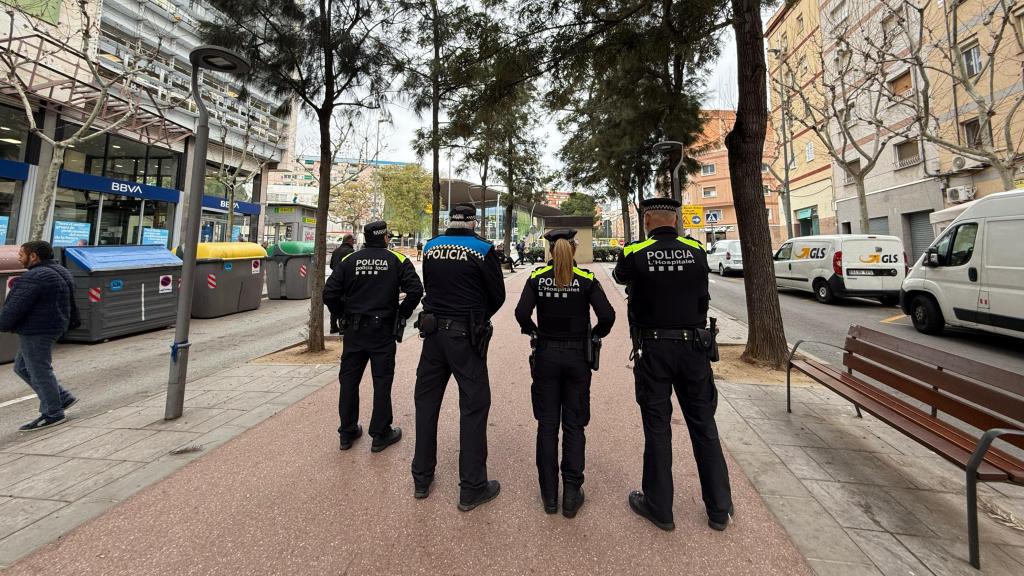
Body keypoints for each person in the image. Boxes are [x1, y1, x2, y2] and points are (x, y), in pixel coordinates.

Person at [613, 197, 733, 532]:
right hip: (694, 347)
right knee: (704, 425)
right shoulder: (695, 249)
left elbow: (621, 277)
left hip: (654, 349)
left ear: (648, 220)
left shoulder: (635, 252)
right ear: (676, 219)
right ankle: (719, 508)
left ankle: (660, 506)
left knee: (657, 424)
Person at [514, 229, 615, 517]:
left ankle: (548, 496)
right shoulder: (585, 280)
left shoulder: (536, 278)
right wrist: (594, 336)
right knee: (574, 425)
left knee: (546, 425)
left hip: (546, 355)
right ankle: (571, 494)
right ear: (572, 249)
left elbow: (521, 313)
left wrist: (535, 332)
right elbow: (607, 316)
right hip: (576, 358)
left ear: (549, 250)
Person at [411, 203, 505, 511]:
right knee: (474, 406)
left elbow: (431, 285)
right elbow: (498, 295)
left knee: (426, 404)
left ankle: (422, 479)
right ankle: (472, 487)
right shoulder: (483, 249)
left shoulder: (431, 246)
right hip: (465, 337)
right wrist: (476, 318)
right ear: (474, 221)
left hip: (433, 334)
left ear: (450, 220)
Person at [323, 221, 423, 452]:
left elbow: (329, 293)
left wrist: (341, 315)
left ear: (366, 238)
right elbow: (416, 289)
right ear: (386, 237)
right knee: (381, 381)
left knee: (349, 381)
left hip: (354, 331)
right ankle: (380, 434)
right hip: (382, 331)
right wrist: (402, 314)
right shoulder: (396, 260)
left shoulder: (350, 260)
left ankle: (347, 433)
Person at [0, 241, 79, 432]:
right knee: (22, 367)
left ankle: (53, 412)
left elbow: (15, 306)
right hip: (53, 326)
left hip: (37, 330)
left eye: (21, 254)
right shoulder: (60, 270)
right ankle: (61, 397)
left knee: (39, 370)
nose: (19, 257)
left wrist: (4, 324)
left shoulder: (35, 276)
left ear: (33, 256)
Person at [329, 234, 357, 334]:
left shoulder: (336, 251)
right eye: (353, 240)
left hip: (335, 280)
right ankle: (342, 327)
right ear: (349, 240)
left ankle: (333, 326)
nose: (354, 242)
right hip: (345, 281)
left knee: (335, 301)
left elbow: (332, 265)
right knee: (344, 303)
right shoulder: (351, 252)